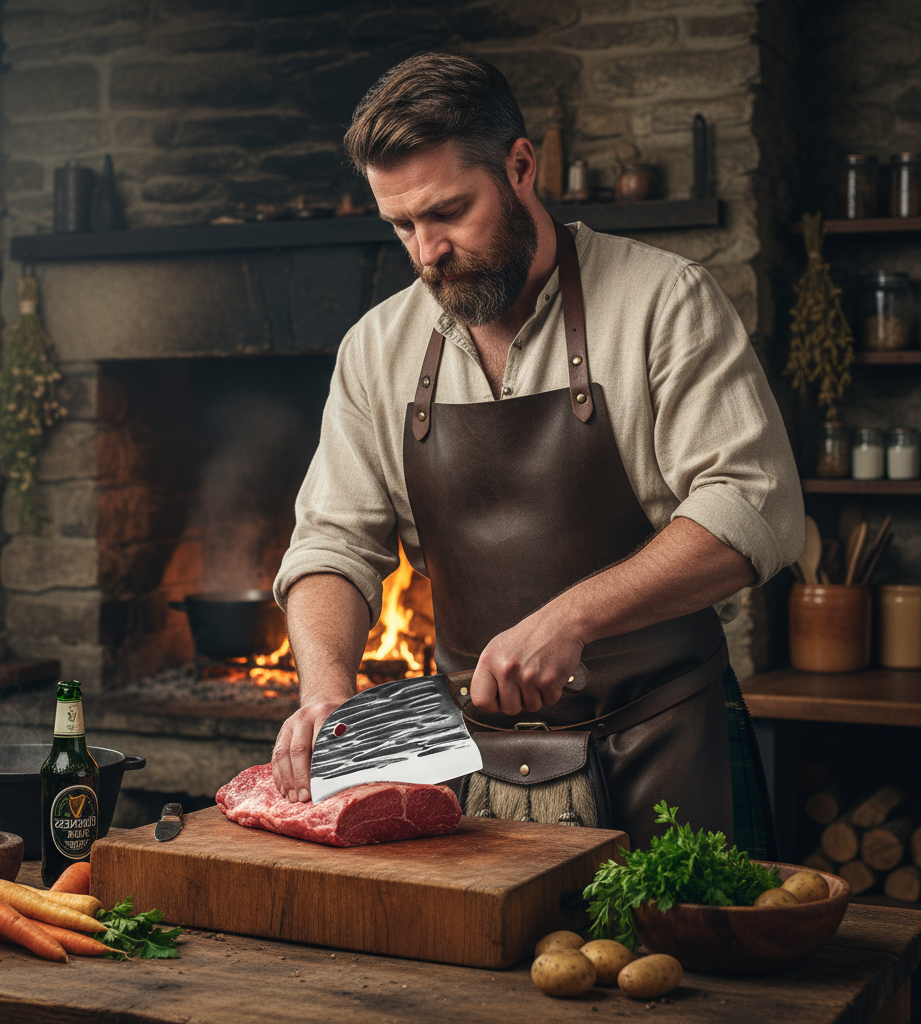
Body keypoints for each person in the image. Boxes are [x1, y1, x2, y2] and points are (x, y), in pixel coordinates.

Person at [270, 52, 804, 852]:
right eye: (402, 225)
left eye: (449, 212)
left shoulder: (665, 301)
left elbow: (751, 508)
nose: (426, 252)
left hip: (665, 745)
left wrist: (573, 617)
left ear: (521, 167)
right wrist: (327, 695)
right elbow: (331, 544)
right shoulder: (376, 348)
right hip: (463, 765)